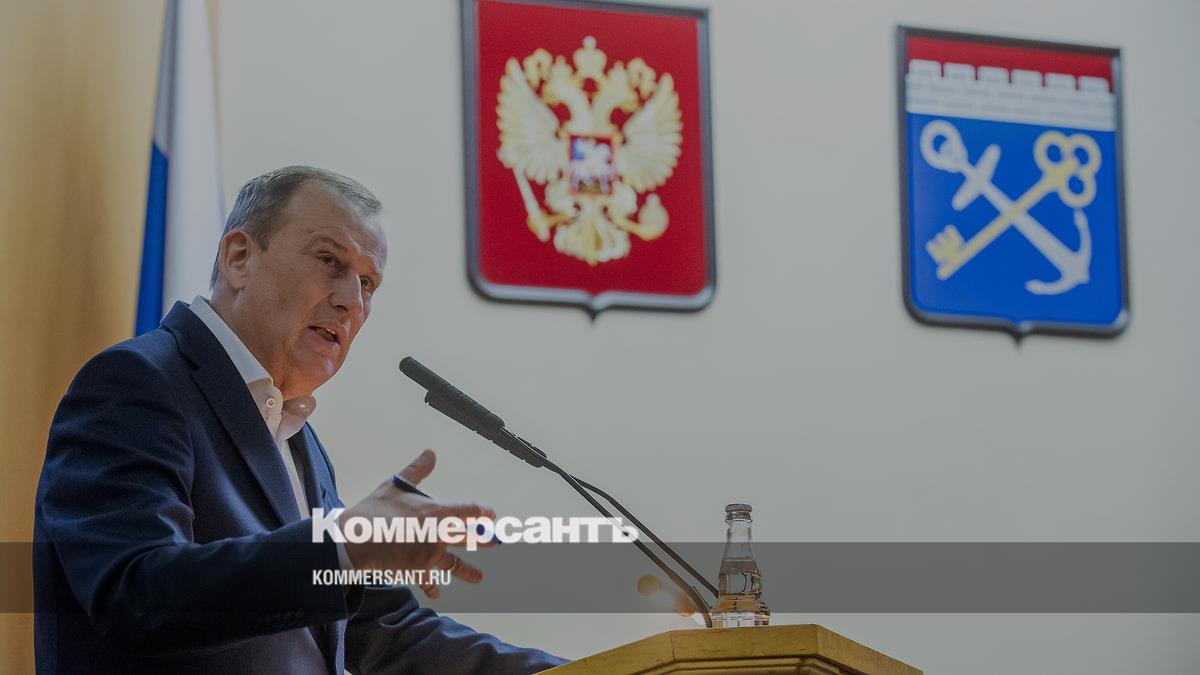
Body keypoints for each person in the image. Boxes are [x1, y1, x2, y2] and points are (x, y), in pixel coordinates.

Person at [33, 166, 568, 674]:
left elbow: (386, 628)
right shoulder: (138, 383)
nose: (352, 301)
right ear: (239, 257)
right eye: (330, 261)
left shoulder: (295, 436)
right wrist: (342, 545)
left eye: (368, 284)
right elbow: (136, 594)